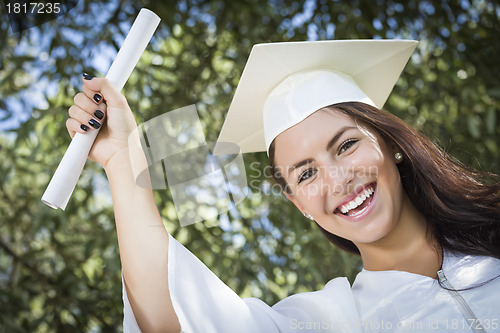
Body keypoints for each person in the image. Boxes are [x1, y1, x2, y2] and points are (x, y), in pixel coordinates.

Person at [66, 40, 500, 332]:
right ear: (298, 204)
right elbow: (173, 316)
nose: (337, 179)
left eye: (346, 145)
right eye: (306, 173)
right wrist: (123, 159)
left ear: (391, 145)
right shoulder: (328, 322)